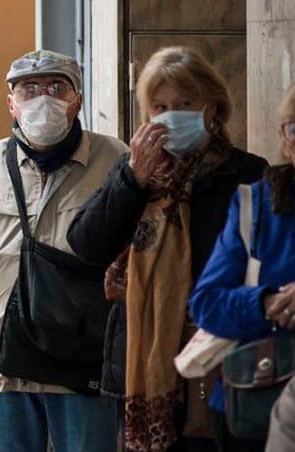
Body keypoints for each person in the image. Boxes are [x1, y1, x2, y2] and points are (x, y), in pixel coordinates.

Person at [66, 46, 268, 452]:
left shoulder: (247, 173)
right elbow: (87, 244)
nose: (171, 114)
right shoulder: (134, 172)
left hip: (221, 356)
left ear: (213, 107)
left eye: (185, 103)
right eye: (159, 106)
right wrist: (132, 180)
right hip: (143, 359)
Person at [0, 50, 127, 452]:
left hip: (83, 366)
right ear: (11, 104)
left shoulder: (116, 160)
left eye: (57, 88)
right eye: (29, 90)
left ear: (78, 99)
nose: (43, 99)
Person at [190, 84, 295, 452]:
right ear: (284, 138)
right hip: (258, 397)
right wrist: (265, 303)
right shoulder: (257, 204)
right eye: (294, 128)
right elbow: (206, 304)